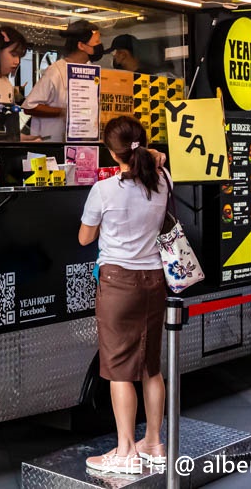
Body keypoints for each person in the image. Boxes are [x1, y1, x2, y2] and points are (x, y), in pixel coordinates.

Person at [79, 115, 169, 475]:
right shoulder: (163, 180)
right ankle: (154, 443)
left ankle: (126, 451)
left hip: (118, 283)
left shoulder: (104, 190)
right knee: (150, 366)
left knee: (119, 371)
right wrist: (153, 154)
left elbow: (85, 238)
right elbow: (151, 163)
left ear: (109, 151)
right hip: (155, 280)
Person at [22, 19, 104, 142]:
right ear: (81, 45)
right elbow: (29, 107)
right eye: (96, 42)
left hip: (85, 144)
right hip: (52, 144)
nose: (100, 45)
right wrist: (64, 112)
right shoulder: (56, 71)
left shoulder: (92, 71)